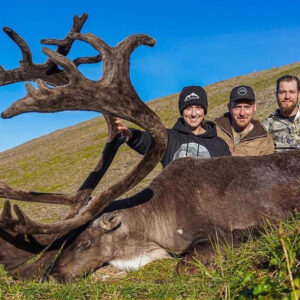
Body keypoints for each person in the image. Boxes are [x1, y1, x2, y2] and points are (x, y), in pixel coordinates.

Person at [114, 85, 231, 168]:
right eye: (188, 108)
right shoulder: (169, 138)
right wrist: (130, 135)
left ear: (204, 111)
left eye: (199, 108)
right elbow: (146, 140)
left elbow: (227, 178)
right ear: (181, 111)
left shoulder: (219, 145)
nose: (194, 114)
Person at [214, 85, 274, 156]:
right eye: (237, 107)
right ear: (229, 107)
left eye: (247, 107)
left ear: (254, 107)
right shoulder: (214, 130)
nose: (242, 113)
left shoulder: (265, 141)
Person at [263, 75, 300, 152]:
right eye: (282, 92)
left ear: (298, 94)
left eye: (292, 92)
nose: (287, 96)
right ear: (276, 94)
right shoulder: (267, 126)